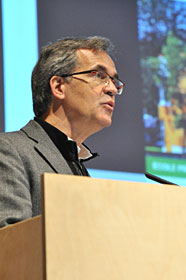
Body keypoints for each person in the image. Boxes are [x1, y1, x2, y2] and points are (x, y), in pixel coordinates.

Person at [0, 36, 124, 227]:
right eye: (99, 76)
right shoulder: (10, 150)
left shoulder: (78, 166)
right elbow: (10, 243)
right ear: (58, 86)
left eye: (114, 80)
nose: (112, 89)